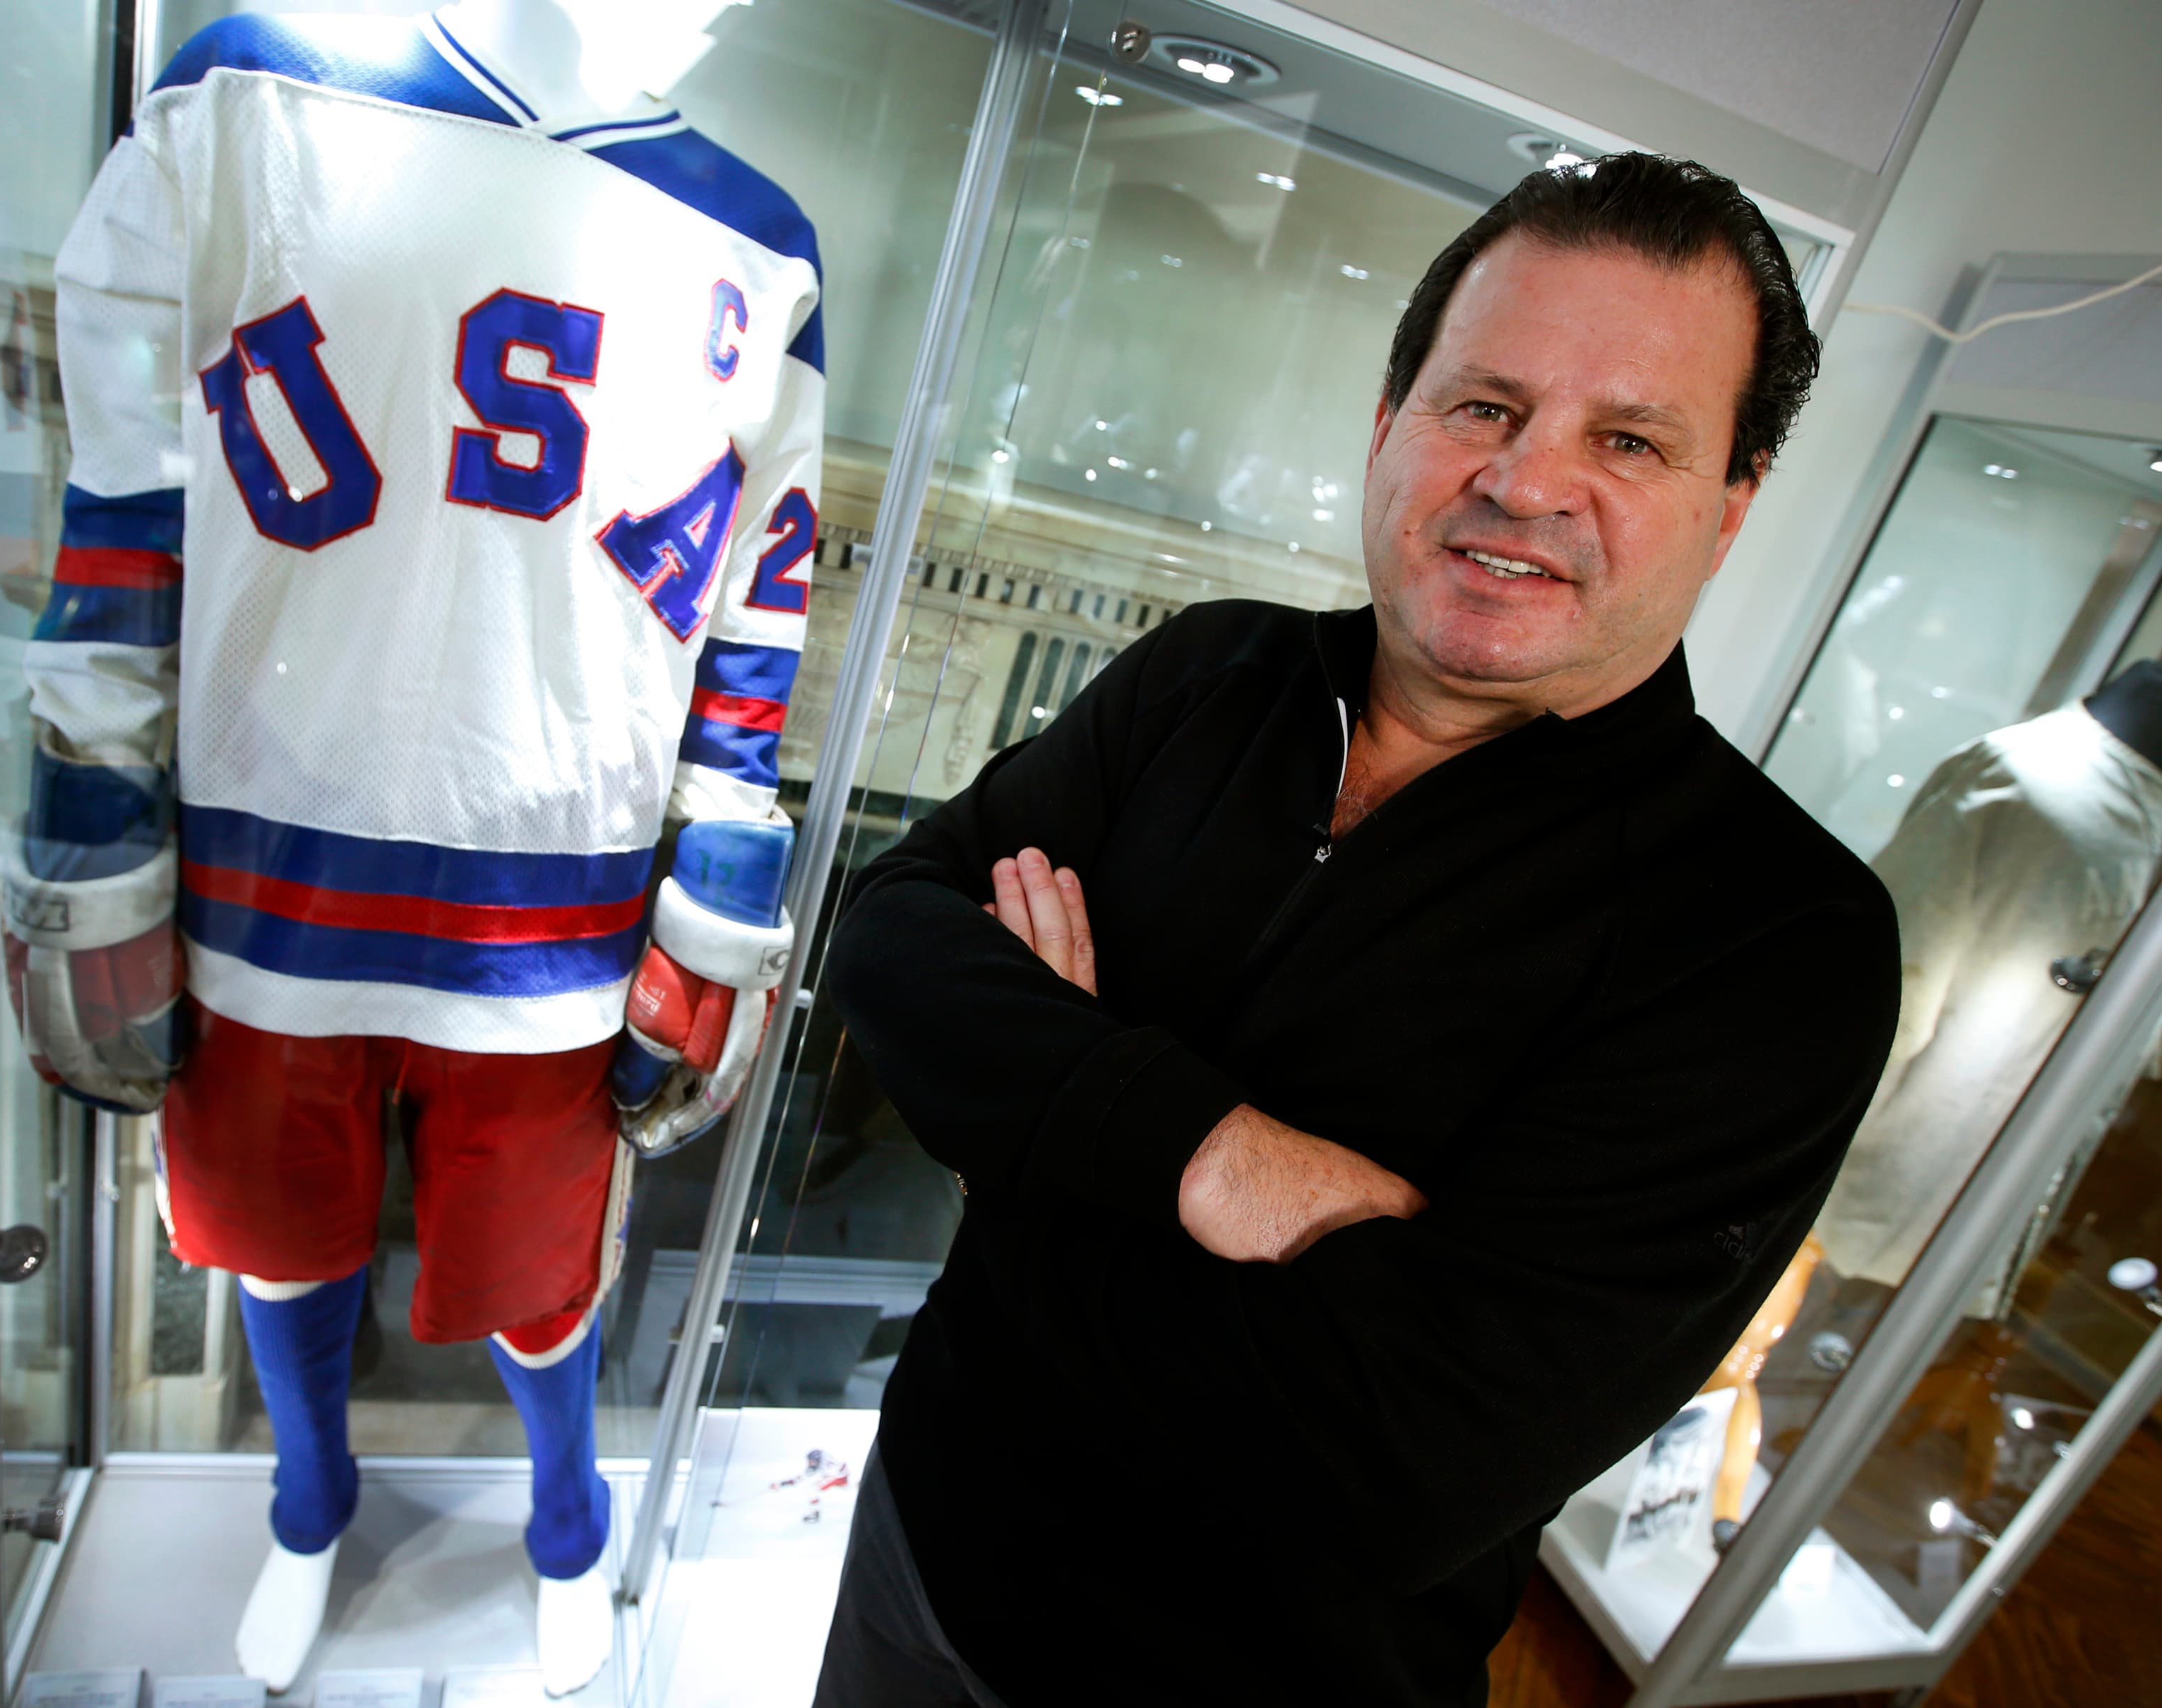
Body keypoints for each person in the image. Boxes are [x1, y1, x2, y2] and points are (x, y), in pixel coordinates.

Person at [812, 154, 1902, 1706]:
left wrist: (1029, 1130)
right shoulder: (1211, 675)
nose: (1526, 483)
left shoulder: (1774, 939)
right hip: (921, 1545)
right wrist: (1205, 1156)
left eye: (1630, 439)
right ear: (1388, 423)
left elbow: (1395, 1468)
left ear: (1727, 509)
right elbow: (894, 929)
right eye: (1484, 405)